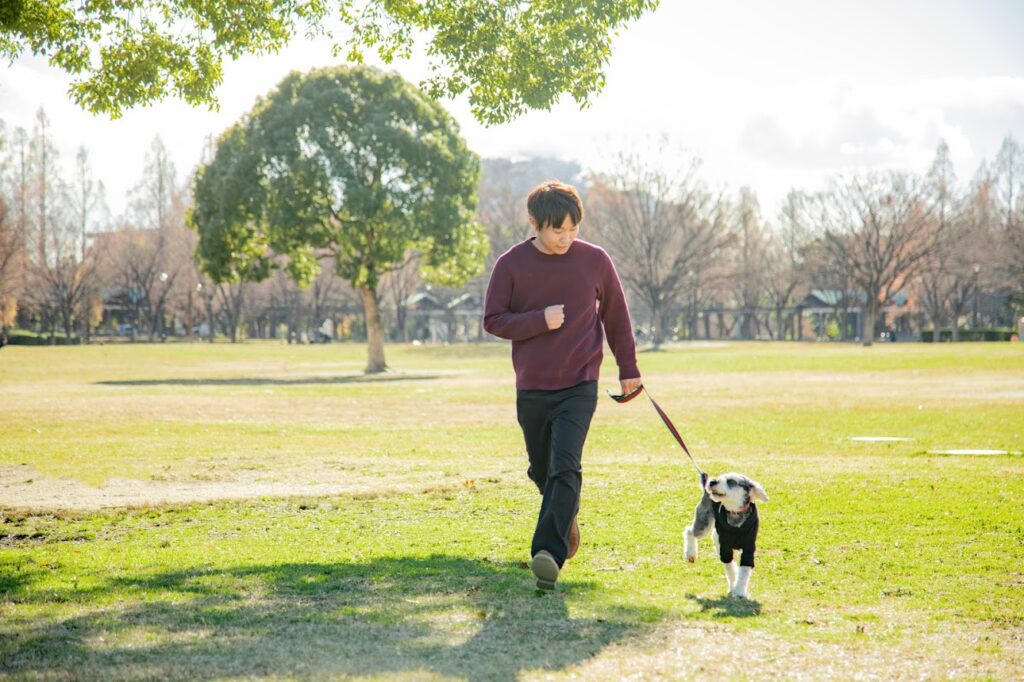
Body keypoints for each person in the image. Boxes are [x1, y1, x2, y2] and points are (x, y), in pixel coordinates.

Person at [483, 180, 642, 590]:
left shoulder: (595, 260)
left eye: (573, 229)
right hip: (533, 386)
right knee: (543, 469)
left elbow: (616, 317)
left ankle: (547, 554)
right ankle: (565, 514)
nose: (566, 238)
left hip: (579, 383)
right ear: (535, 224)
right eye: (558, 231)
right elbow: (493, 320)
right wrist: (538, 320)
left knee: (566, 465)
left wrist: (629, 367)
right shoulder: (511, 264)